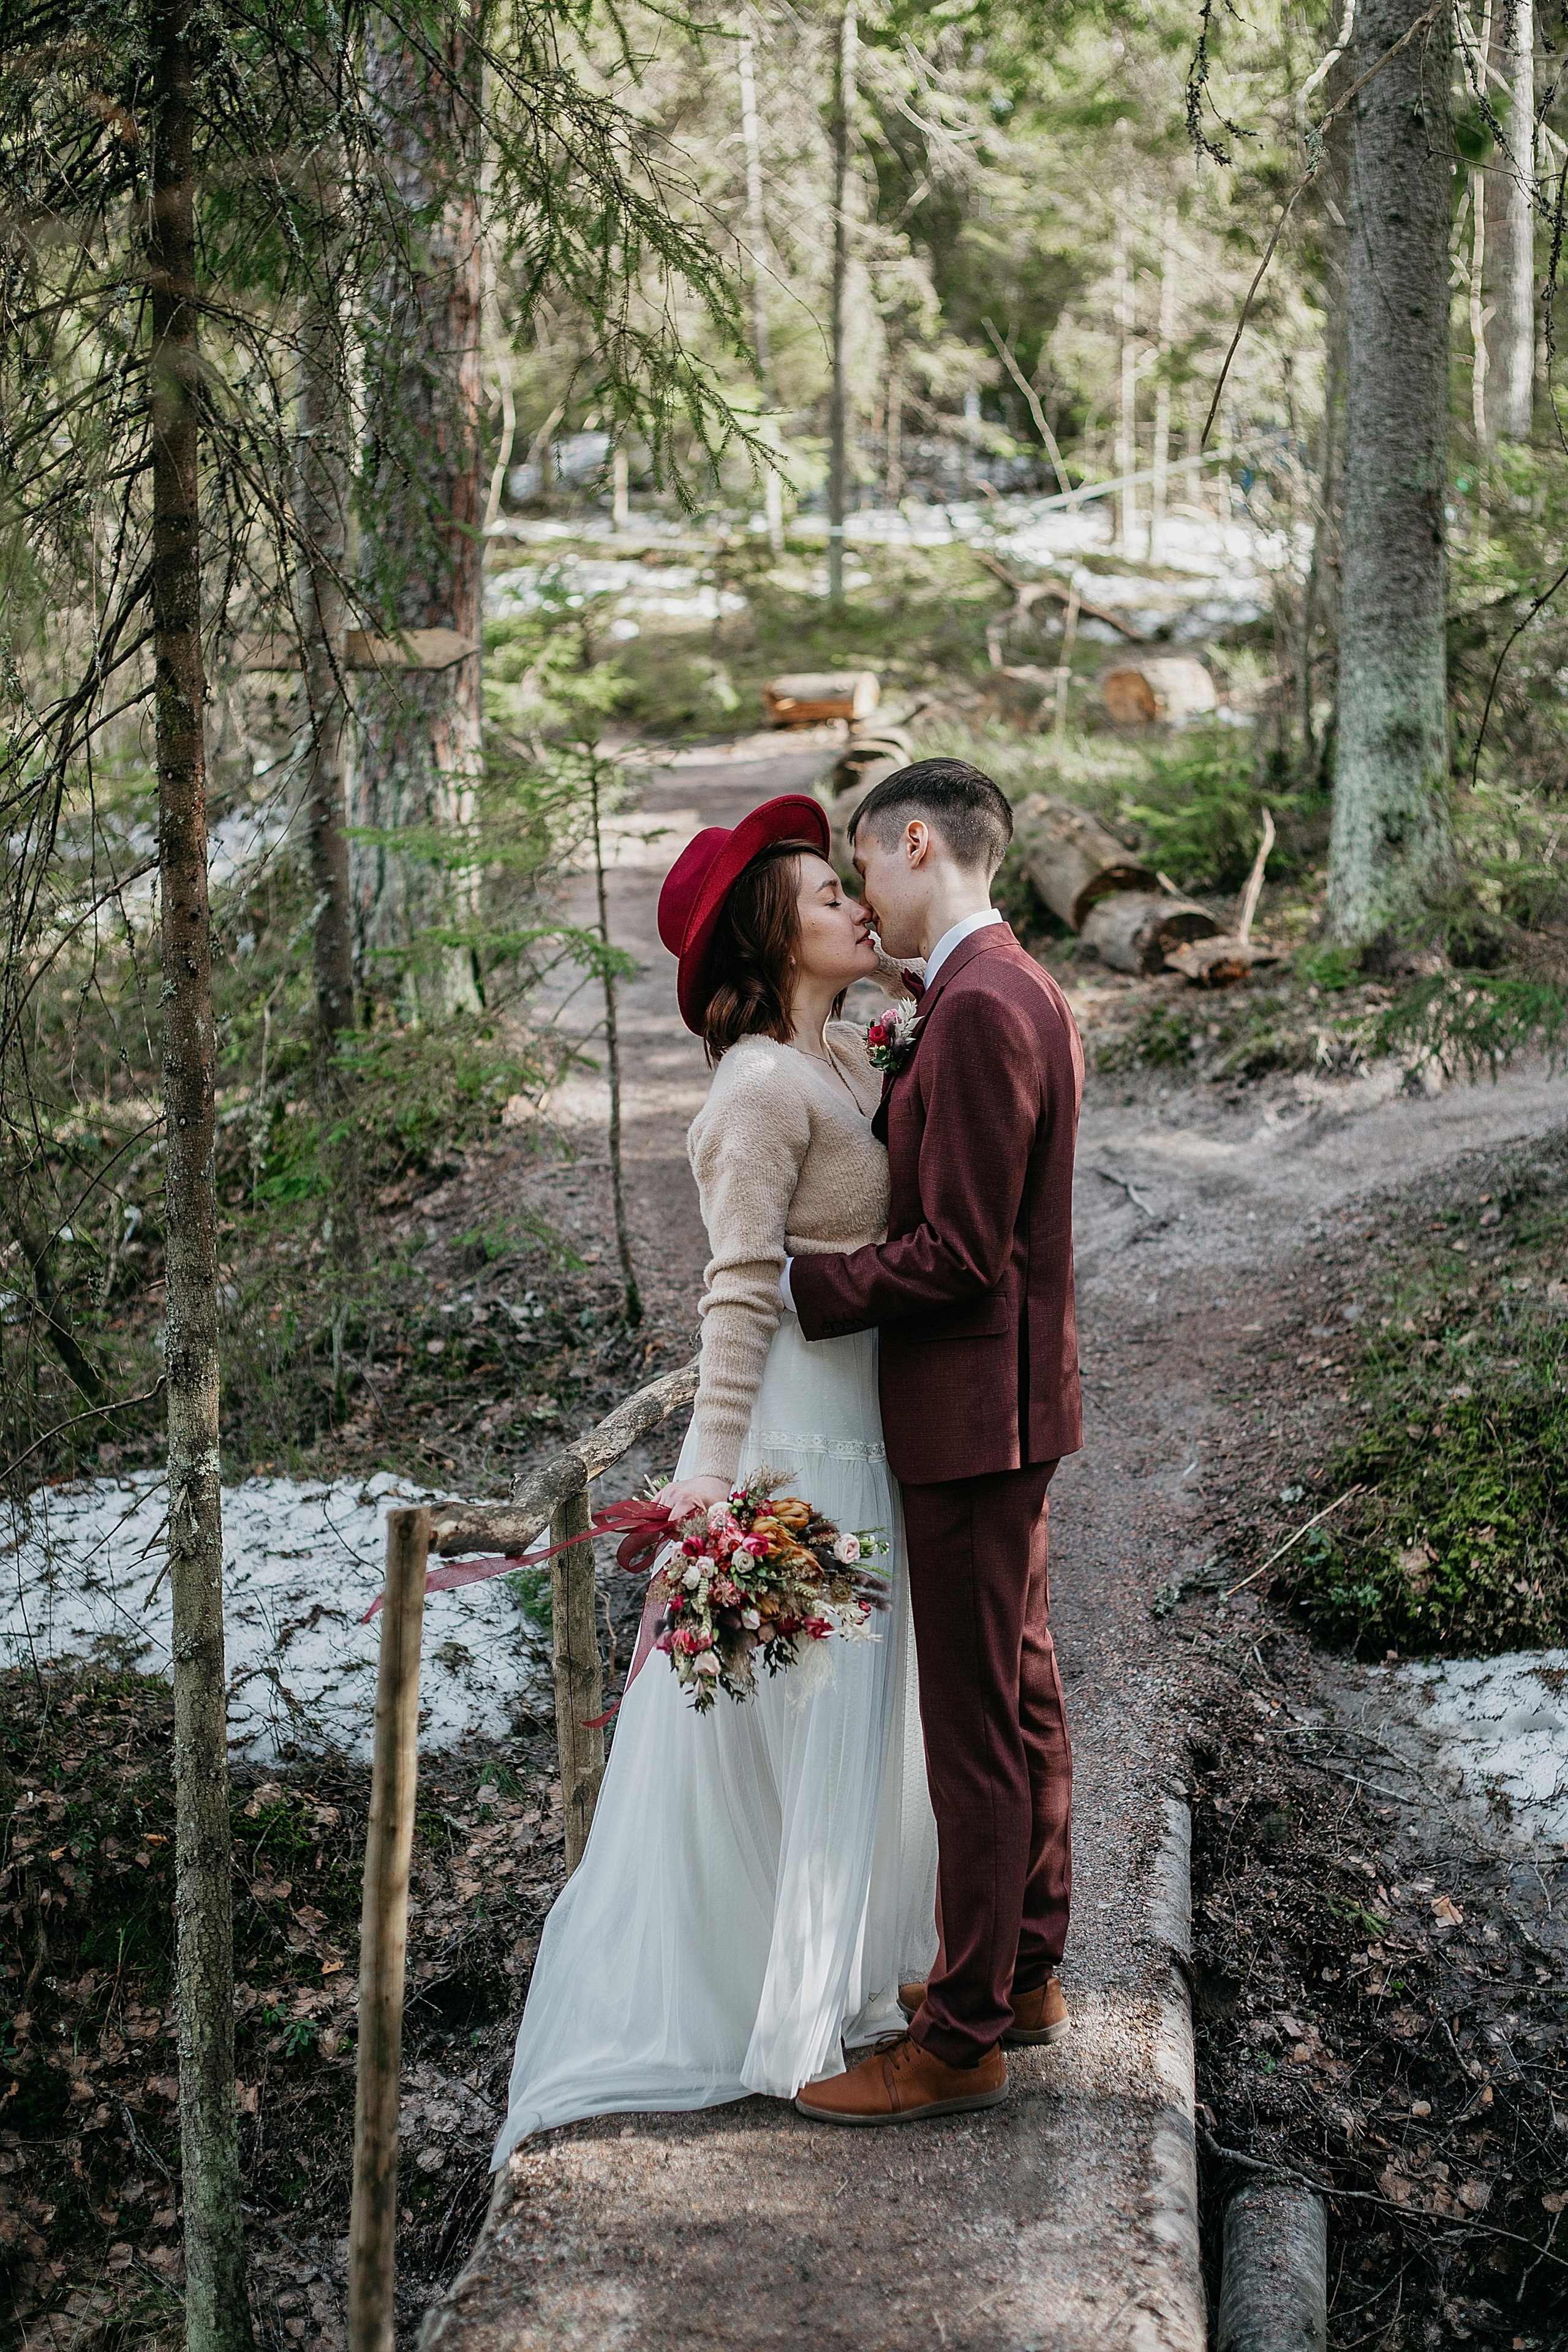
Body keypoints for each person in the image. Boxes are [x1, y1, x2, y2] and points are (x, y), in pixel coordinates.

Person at [491, 794, 938, 2161]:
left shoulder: (833, 1063)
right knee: (807, 1721)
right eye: (823, 899)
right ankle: (790, 2022)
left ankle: (849, 1973)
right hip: (802, 1450)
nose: (854, 907)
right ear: (770, 934)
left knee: (856, 1719)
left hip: (863, 1434)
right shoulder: (754, 1089)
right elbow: (737, 1295)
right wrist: (706, 1487)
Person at [785, 758, 1083, 2127]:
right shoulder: (1010, 988)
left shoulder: (970, 1010)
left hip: (972, 1413)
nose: (864, 899)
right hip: (1011, 1404)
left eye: (866, 866)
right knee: (1017, 1697)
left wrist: (811, 1287)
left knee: (970, 1727)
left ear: (919, 842)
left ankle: (960, 2042)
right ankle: (1019, 1970)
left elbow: (959, 1254)